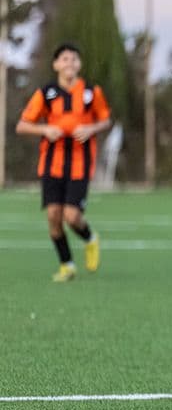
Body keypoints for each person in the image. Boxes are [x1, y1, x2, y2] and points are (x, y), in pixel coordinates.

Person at [16, 43, 111, 282]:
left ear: (79, 64)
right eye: (65, 59)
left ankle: (90, 238)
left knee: (72, 216)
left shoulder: (91, 92)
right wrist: (45, 129)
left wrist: (91, 128)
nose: (70, 63)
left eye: (74, 59)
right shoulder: (45, 93)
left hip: (80, 162)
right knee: (53, 216)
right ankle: (67, 265)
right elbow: (22, 125)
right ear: (56, 64)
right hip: (52, 163)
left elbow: (105, 120)